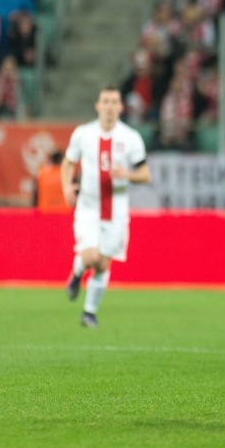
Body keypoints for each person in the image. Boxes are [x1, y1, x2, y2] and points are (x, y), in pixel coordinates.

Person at [62, 86, 152, 328]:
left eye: (114, 102)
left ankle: (89, 312)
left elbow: (145, 174)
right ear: (97, 106)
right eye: (105, 101)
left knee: (103, 264)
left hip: (116, 211)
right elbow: (68, 163)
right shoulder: (83, 134)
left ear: (121, 107)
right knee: (91, 255)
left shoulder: (131, 137)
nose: (110, 106)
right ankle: (78, 273)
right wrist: (66, 187)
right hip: (89, 207)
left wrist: (127, 174)